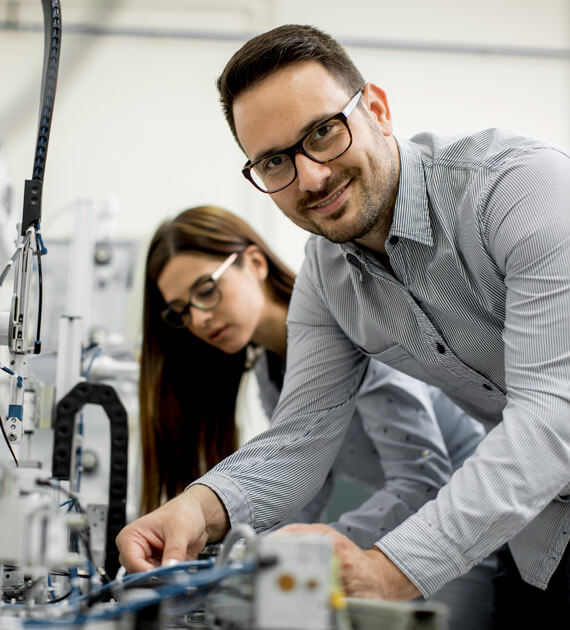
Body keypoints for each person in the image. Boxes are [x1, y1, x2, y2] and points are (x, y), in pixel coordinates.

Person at [117, 25, 570, 627]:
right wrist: (197, 509)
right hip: (541, 536)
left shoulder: (520, 189)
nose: (310, 178)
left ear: (377, 109)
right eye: (275, 161)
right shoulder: (327, 277)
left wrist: (389, 567)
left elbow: (551, 414)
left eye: (323, 133)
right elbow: (302, 435)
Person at [138, 204, 492, 627]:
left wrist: (302, 549)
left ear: (254, 262)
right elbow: (307, 483)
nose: (198, 317)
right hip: (412, 533)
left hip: (468, 525)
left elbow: (423, 482)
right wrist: (249, 555)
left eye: (206, 289)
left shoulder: (356, 328)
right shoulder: (271, 369)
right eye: (181, 311)